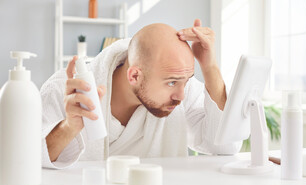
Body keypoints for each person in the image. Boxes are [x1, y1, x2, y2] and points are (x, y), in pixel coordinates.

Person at [41, 19, 242, 169]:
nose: (180, 96)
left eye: (186, 80)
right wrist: (69, 127)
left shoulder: (182, 89)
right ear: (135, 75)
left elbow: (225, 145)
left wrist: (209, 66)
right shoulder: (66, 92)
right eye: (171, 82)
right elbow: (25, 160)